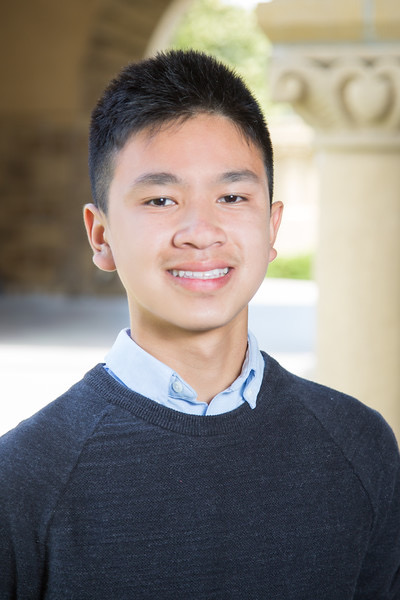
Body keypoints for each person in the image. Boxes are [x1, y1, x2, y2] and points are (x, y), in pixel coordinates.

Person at [0, 50, 399, 600]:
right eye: (161, 198)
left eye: (232, 196)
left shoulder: (361, 444)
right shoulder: (23, 479)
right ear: (101, 235)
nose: (201, 231)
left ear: (271, 224)